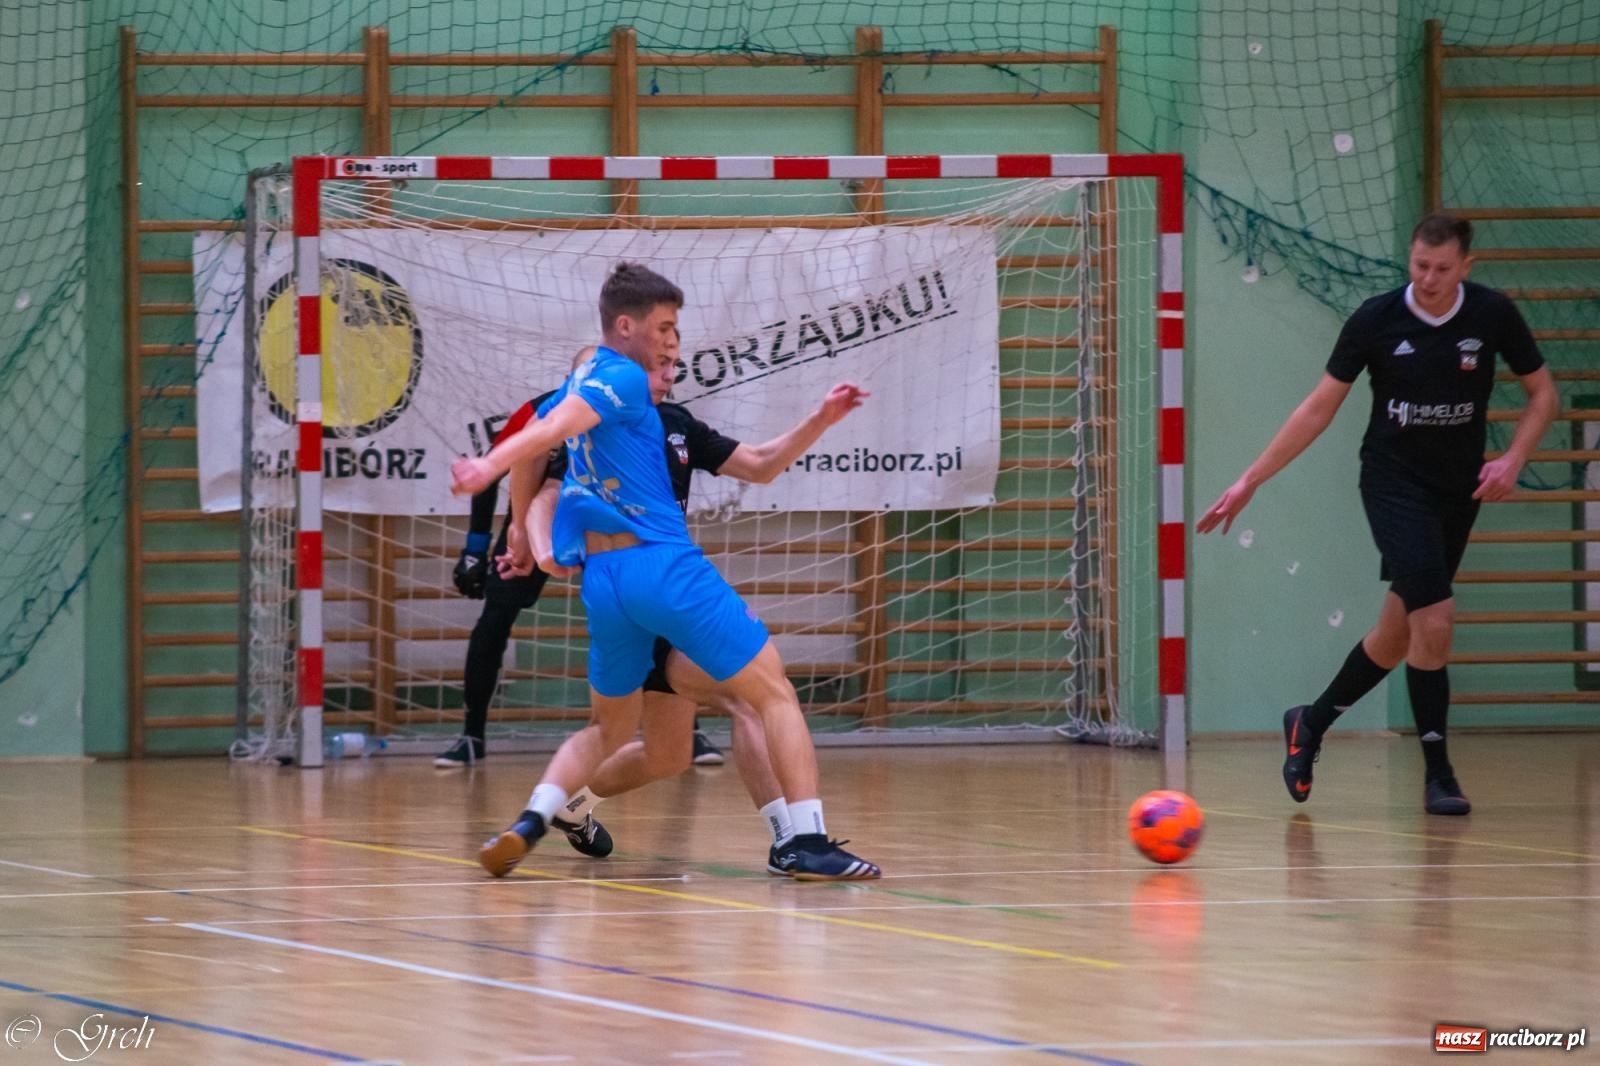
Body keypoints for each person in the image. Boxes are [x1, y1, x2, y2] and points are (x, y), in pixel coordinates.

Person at [450, 262, 881, 880]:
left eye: (676, 347)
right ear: (624, 335)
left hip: (613, 588)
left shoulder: (669, 422)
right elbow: (545, 448)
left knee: (658, 748)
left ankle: (550, 814)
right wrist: (517, 519)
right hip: (661, 576)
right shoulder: (609, 387)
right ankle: (799, 839)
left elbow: (757, 464)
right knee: (761, 695)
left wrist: (819, 420)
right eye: (665, 334)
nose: (671, 355)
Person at [1197, 214, 1557, 815]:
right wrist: (1249, 480)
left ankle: (1308, 724)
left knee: (1397, 634)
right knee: (1436, 619)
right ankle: (1439, 773)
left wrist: (1513, 459)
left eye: (1443, 269)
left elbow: (1542, 394)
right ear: (1409, 258)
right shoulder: (1376, 319)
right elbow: (1317, 407)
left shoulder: (1491, 314)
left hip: (1457, 491)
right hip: (1392, 485)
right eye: (1420, 265)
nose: (1430, 279)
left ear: (1466, 267)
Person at [436, 351, 725, 770]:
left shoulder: (642, 413)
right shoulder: (544, 409)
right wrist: (476, 547)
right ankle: (470, 735)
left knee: (656, 605)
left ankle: (686, 728)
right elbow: (490, 471)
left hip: (612, 523)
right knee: (496, 613)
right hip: (540, 515)